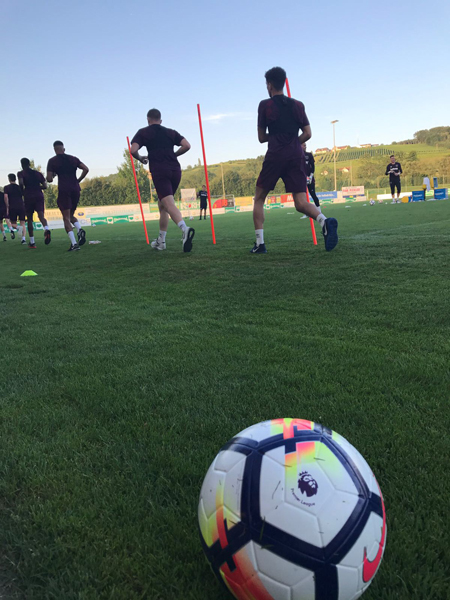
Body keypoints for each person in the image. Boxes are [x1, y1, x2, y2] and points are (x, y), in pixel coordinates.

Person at [251, 67, 338, 253]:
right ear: (283, 82)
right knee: (301, 202)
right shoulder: (298, 105)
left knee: (259, 198)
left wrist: (276, 136)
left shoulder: (264, 105)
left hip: (275, 155)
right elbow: (308, 134)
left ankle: (260, 244)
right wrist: (292, 142)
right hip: (295, 155)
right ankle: (324, 221)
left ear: (269, 85)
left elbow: (260, 137)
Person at [130, 108, 195, 252]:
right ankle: (161, 241)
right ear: (161, 120)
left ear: (148, 120)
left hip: (160, 171)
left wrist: (141, 158)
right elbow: (187, 145)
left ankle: (184, 229)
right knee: (163, 205)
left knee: (168, 203)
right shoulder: (170, 132)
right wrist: (174, 155)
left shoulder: (144, 132)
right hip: (175, 171)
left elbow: (133, 150)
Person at [46, 141, 89, 251]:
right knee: (70, 215)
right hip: (75, 189)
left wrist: (54, 174)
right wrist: (78, 180)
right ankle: (79, 229)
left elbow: (49, 179)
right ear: (63, 149)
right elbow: (86, 169)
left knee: (65, 217)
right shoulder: (73, 158)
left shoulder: (52, 161)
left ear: (55, 150)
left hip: (64, 190)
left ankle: (74, 244)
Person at [17, 158, 51, 248]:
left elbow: (20, 183)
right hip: (39, 195)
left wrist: (22, 192)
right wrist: (37, 187)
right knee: (41, 216)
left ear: (22, 165)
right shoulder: (38, 173)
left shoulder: (21, 173)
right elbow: (45, 186)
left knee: (29, 219)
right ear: (29, 164)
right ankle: (46, 229)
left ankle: (32, 242)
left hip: (28, 196)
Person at [4, 174, 26, 244]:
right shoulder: (20, 187)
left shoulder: (6, 188)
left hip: (12, 206)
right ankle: (23, 239)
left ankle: (18, 228)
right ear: (15, 179)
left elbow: (6, 197)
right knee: (23, 223)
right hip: (21, 205)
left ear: (9, 179)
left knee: (13, 223)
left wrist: (7, 206)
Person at [302, 142, 321, 218]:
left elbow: (312, 166)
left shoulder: (309, 155)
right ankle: (306, 213)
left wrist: (311, 176)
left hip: (309, 179)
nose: (305, 146)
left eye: (305, 145)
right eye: (303, 145)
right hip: (302, 179)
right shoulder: (298, 156)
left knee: (313, 194)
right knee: (304, 197)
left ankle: (319, 211)